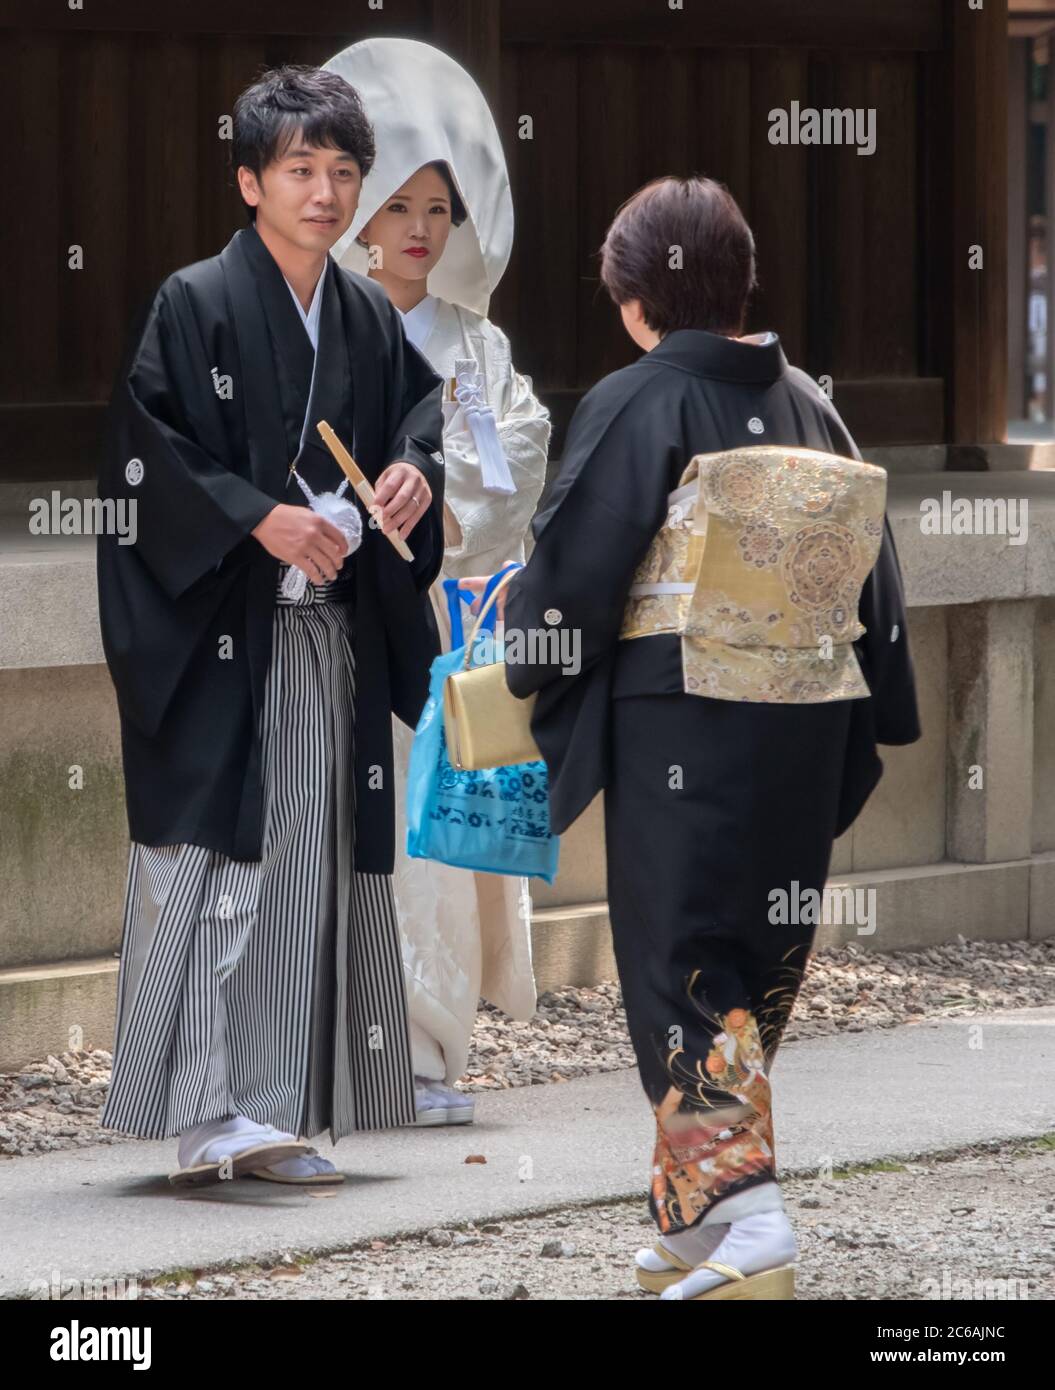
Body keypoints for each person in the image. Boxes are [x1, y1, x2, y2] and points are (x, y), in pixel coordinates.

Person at [490, 176, 920, 1297]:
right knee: (749, 963)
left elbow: (575, 566)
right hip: (807, 726)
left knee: (681, 959)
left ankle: (755, 1217)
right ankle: (691, 1213)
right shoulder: (814, 407)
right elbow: (874, 582)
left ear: (636, 301)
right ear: (741, 285)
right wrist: (882, 700)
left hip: (686, 723)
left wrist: (526, 655)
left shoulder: (641, 397)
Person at [96, 64, 445, 1185]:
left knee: (305, 863)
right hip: (219, 637)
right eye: (300, 169)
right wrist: (257, 520)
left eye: (344, 172)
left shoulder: (360, 314)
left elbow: (421, 414)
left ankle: (273, 1104)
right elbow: (144, 455)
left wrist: (411, 474)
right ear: (250, 180)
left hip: (324, 639)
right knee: (209, 860)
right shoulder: (193, 302)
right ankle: (201, 1113)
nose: (327, 193)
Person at [324, 38, 549, 1125]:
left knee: (430, 845)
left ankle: (421, 1051)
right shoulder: (315, 322)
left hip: (437, 616)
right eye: (398, 201)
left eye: (436, 207)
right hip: (328, 613)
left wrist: (431, 494)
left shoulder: (475, 348)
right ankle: (318, 1046)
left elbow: (516, 467)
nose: (417, 227)